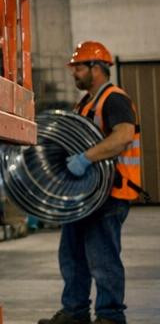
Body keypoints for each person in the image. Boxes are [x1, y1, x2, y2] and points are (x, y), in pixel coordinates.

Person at [40, 40, 144, 324]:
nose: (73, 73)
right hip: (83, 195)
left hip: (110, 194)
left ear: (96, 68)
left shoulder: (114, 99)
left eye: (78, 67)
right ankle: (75, 312)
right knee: (72, 256)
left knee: (103, 258)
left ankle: (110, 316)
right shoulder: (86, 102)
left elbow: (122, 136)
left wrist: (85, 158)